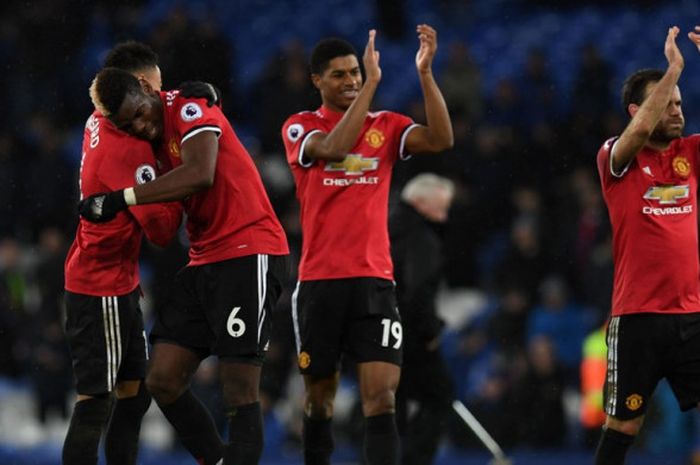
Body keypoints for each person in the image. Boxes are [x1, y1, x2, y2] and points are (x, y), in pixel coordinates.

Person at [79, 62, 290, 465]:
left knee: (238, 387)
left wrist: (123, 198)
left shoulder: (188, 107)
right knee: (162, 379)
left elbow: (200, 173)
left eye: (140, 112)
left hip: (249, 250)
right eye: (130, 125)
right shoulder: (156, 135)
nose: (141, 126)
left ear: (146, 86)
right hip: (205, 257)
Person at [281, 25, 453, 465]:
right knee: (320, 400)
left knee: (382, 399)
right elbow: (336, 150)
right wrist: (373, 86)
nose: (352, 80)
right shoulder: (300, 127)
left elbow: (441, 139)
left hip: (375, 283)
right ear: (316, 81)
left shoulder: (387, 127)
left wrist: (426, 73)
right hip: (320, 283)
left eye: (356, 72)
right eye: (338, 75)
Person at [62, 41, 185, 465]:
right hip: (103, 287)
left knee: (134, 397)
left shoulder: (98, 117)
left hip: (110, 279)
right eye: (154, 89)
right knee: (96, 401)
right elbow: (163, 232)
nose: (159, 98)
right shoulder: (131, 151)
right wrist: (175, 179)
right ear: (136, 85)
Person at [594, 26, 700, 465]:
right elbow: (635, 135)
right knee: (623, 428)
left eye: (679, 100)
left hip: (693, 314)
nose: (677, 109)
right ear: (638, 110)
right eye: (667, 101)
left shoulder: (692, 153)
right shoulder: (615, 156)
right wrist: (675, 68)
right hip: (637, 317)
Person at [389, 173, 455, 465]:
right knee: (439, 396)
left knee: (390, 402)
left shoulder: (384, 225)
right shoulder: (421, 238)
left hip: (380, 330)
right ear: (420, 202)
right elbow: (418, 291)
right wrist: (430, 331)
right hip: (413, 334)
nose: (443, 215)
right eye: (440, 206)